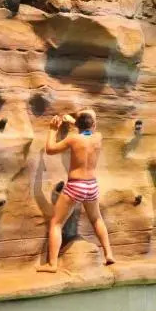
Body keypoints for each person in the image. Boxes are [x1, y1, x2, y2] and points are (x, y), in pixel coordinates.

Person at [38, 110, 114, 272]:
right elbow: (89, 129)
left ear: (78, 125)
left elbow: (50, 149)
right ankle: (109, 254)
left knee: (56, 223)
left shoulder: (73, 139)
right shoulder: (98, 137)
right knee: (96, 219)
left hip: (76, 185)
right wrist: (74, 122)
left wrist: (53, 129)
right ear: (94, 125)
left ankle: (52, 264)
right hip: (91, 185)